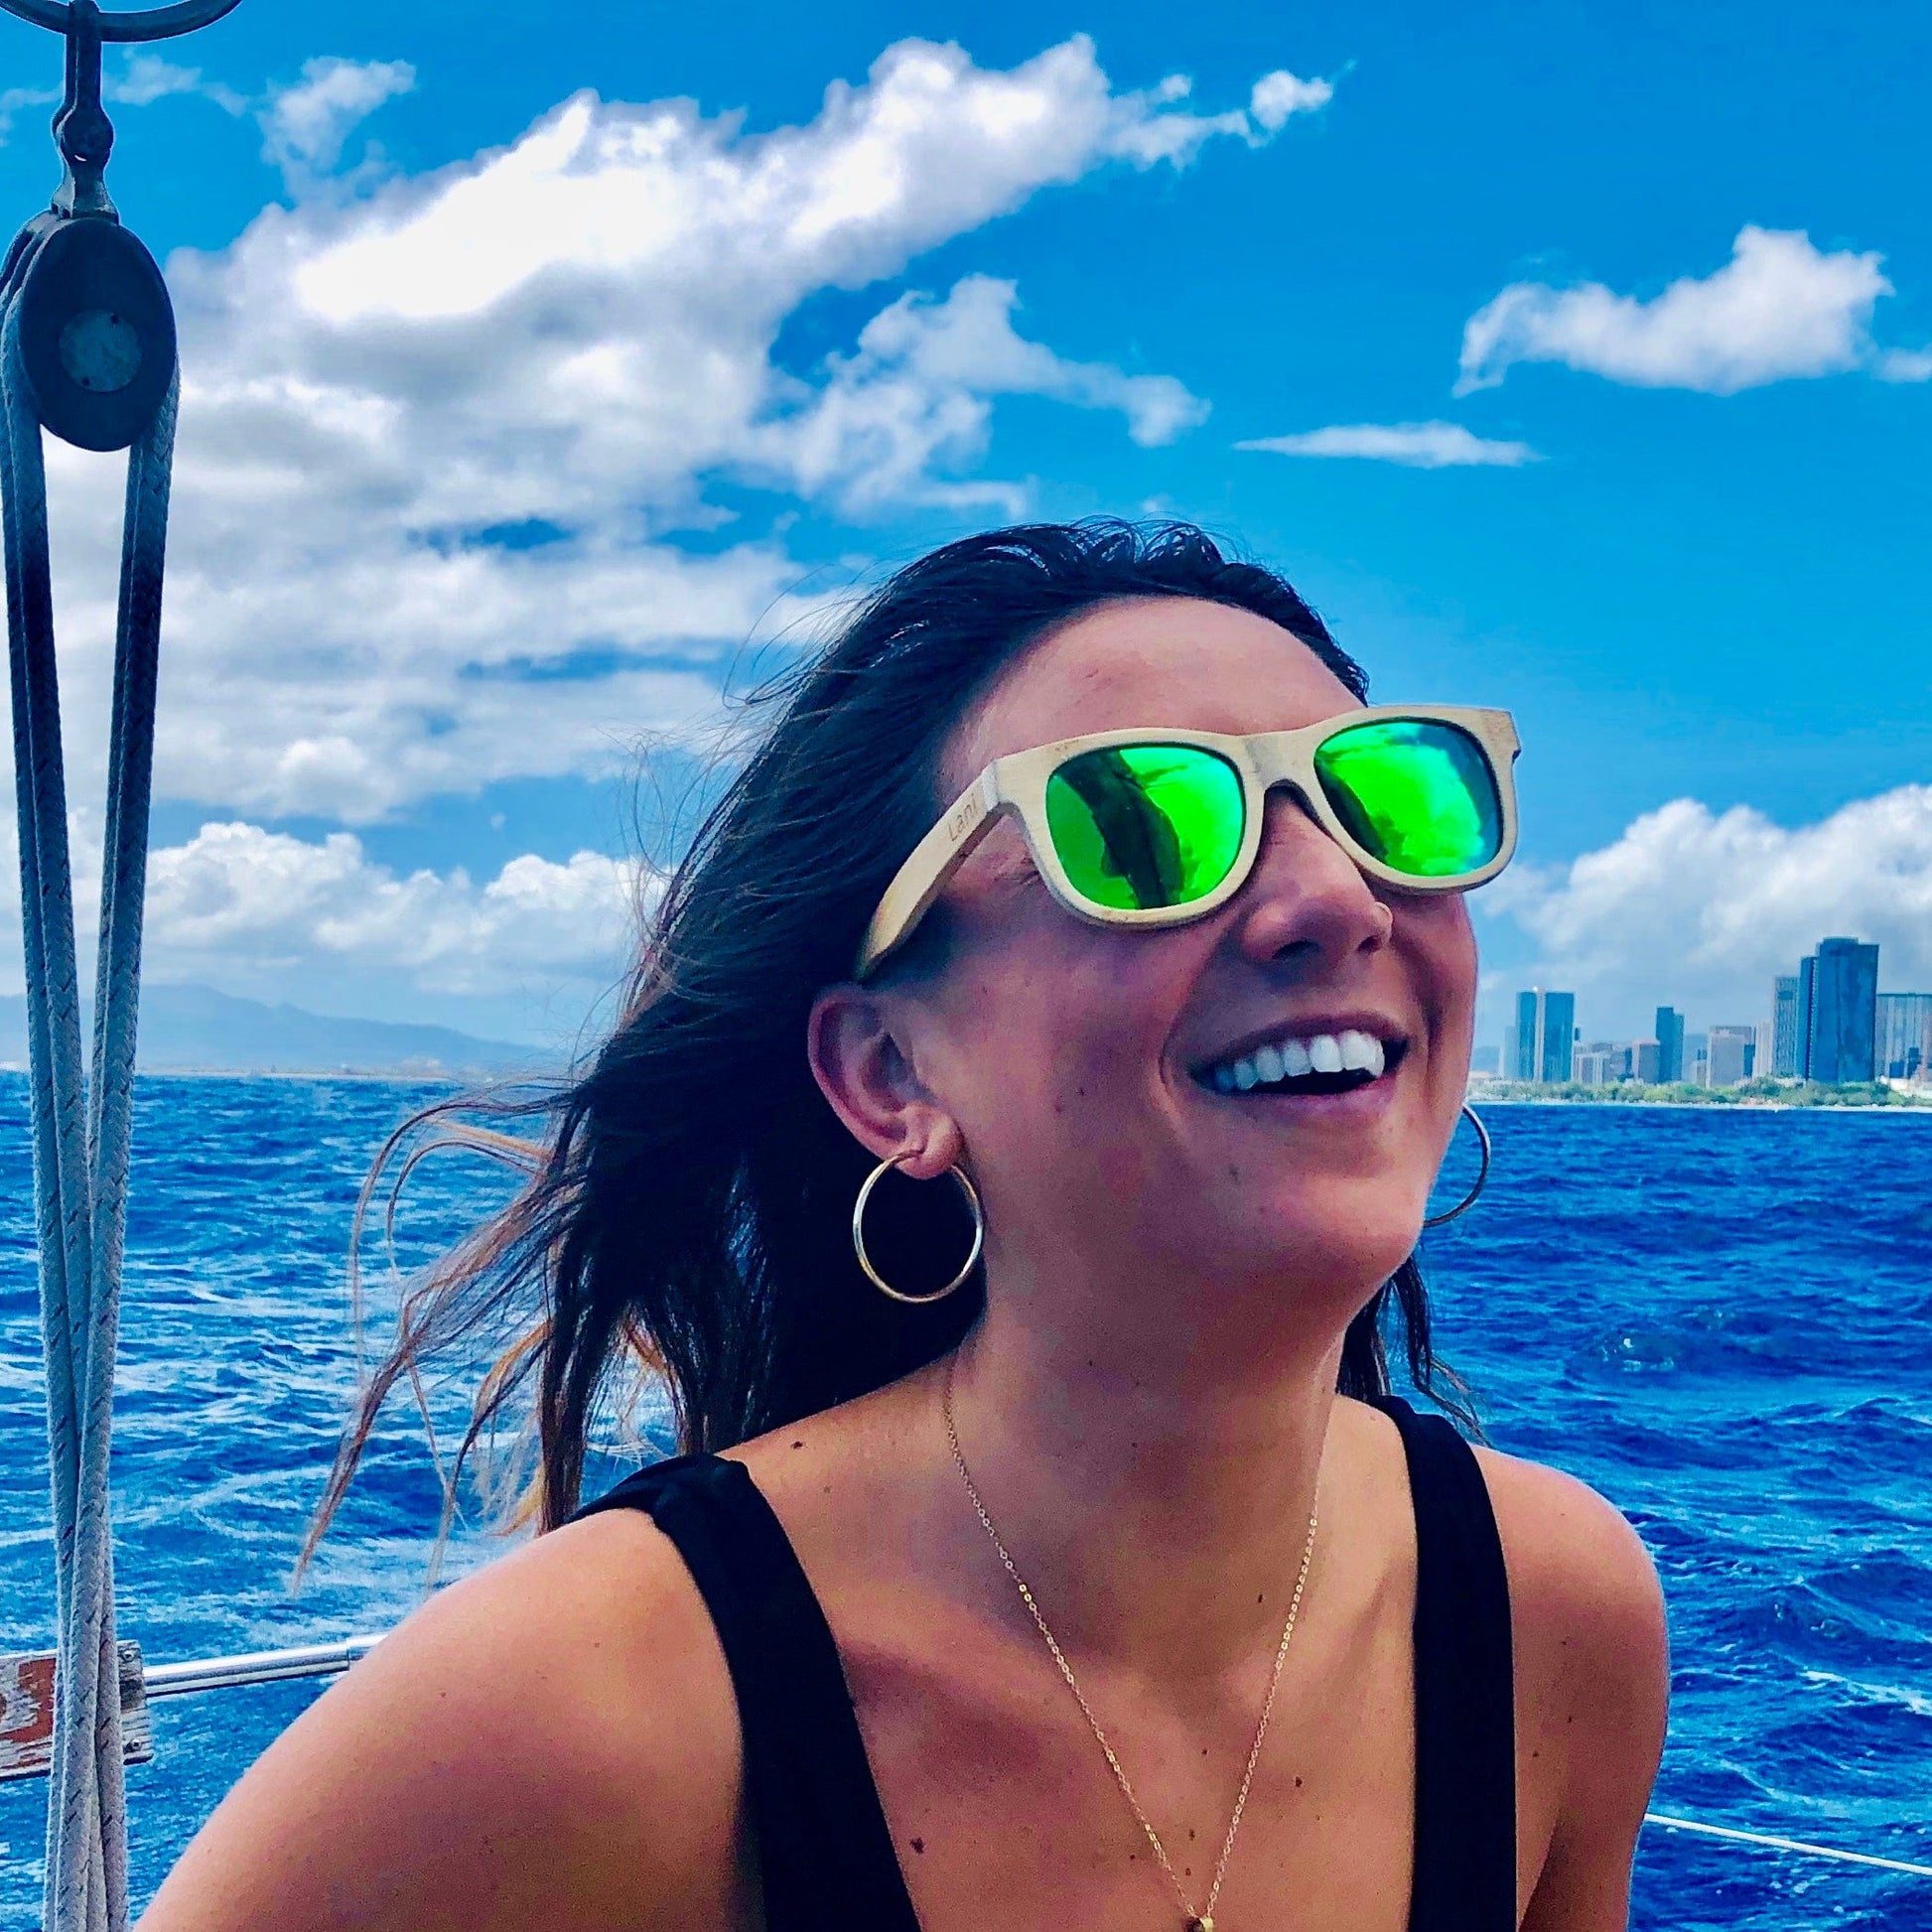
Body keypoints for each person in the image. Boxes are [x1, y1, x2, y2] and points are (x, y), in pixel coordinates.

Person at [139, 522, 1668, 1932]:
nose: (1336, 895)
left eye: (1387, 799)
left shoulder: (1550, 1617)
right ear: (889, 1075)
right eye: (1139, 828)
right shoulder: (587, 1709)